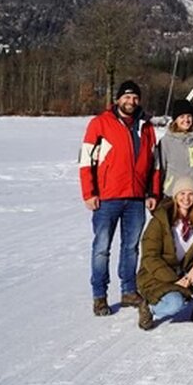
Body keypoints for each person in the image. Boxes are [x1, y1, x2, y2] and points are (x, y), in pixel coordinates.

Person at [78, 79, 157, 315]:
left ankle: (128, 290)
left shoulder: (147, 127)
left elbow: (155, 165)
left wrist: (152, 192)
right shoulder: (100, 124)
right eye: (127, 97)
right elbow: (86, 162)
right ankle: (99, 295)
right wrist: (89, 193)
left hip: (135, 199)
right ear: (118, 99)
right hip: (107, 198)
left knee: (131, 247)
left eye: (135, 98)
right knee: (101, 248)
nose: (131, 101)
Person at [135, 176, 193, 330]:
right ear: (175, 196)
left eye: (190, 194)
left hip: (184, 271)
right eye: (182, 194)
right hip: (157, 276)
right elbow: (149, 257)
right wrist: (176, 280)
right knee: (175, 304)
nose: (186, 199)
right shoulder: (160, 221)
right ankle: (149, 309)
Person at [155, 98, 193, 199]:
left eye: (189, 116)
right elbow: (161, 169)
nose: (186, 120)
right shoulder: (166, 141)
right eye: (182, 117)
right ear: (175, 119)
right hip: (173, 194)